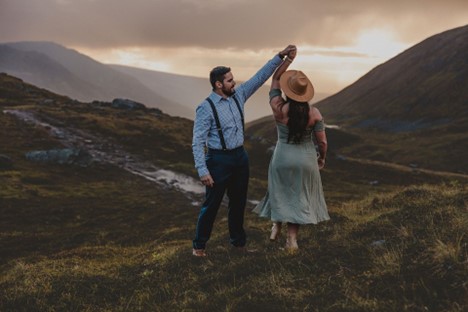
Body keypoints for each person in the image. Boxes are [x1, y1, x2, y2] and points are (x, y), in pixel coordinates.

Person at [191, 45, 298, 257]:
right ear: (218, 84)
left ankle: (238, 245)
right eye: (230, 80)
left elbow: (259, 77)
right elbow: (197, 141)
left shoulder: (238, 95)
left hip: (240, 157)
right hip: (218, 160)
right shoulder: (206, 108)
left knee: (238, 203)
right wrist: (202, 170)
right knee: (211, 205)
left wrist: (281, 57)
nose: (235, 82)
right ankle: (199, 247)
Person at [253, 48, 329, 251]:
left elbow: (275, 79)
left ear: (289, 91)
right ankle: (292, 240)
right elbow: (322, 143)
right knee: (298, 197)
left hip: (282, 156)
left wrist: (288, 60)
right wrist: (321, 159)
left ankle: (276, 223)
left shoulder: (278, 108)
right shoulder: (315, 114)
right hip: (305, 159)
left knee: (280, 190)